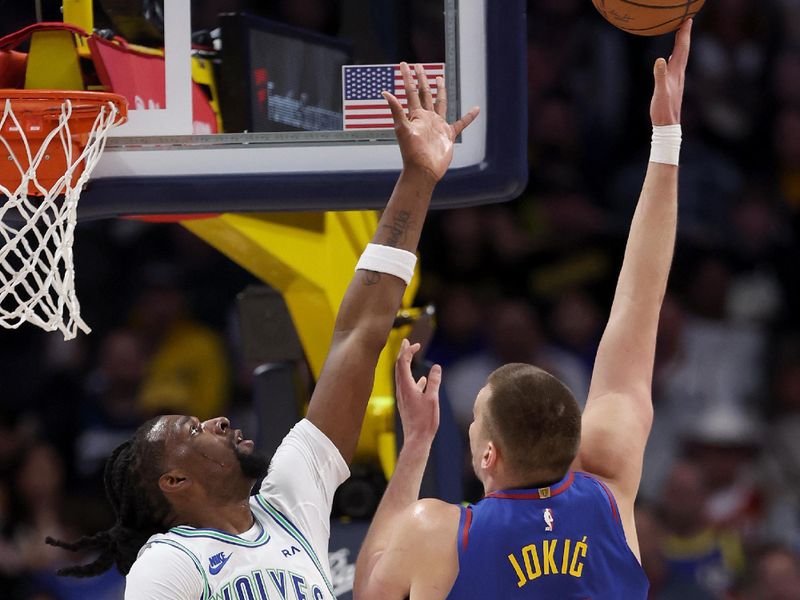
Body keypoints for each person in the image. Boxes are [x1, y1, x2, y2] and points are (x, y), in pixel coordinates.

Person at [45, 62, 479, 599]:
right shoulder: (168, 564)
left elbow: (359, 334)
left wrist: (418, 178)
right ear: (175, 483)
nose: (218, 419)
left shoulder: (291, 497)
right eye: (192, 430)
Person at [353, 21, 693, 600]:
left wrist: (414, 448)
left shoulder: (434, 532)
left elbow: (365, 590)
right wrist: (666, 139)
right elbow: (640, 301)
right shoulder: (609, 491)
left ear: (488, 454)